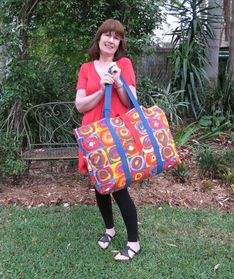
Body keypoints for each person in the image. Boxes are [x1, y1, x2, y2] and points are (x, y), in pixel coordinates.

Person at [75, 18, 140, 261]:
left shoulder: (124, 64)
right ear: (99, 38)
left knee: (120, 189)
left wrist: (118, 81)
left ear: (120, 42)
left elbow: (130, 101)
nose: (112, 40)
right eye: (108, 35)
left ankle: (134, 242)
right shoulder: (86, 68)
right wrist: (101, 89)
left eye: (117, 36)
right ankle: (109, 230)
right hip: (93, 136)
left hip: (116, 136)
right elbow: (80, 105)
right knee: (100, 187)